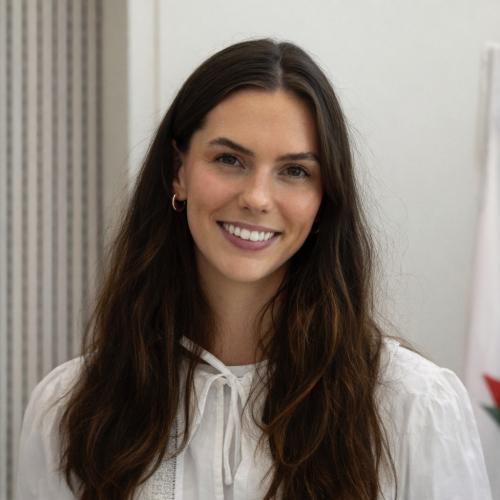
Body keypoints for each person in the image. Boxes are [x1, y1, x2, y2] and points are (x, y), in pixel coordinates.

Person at [16, 38, 492, 500]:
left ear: (324, 197)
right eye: (229, 160)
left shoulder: (414, 407)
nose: (257, 198)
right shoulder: (69, 408)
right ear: (178, 171)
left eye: (295, 171)